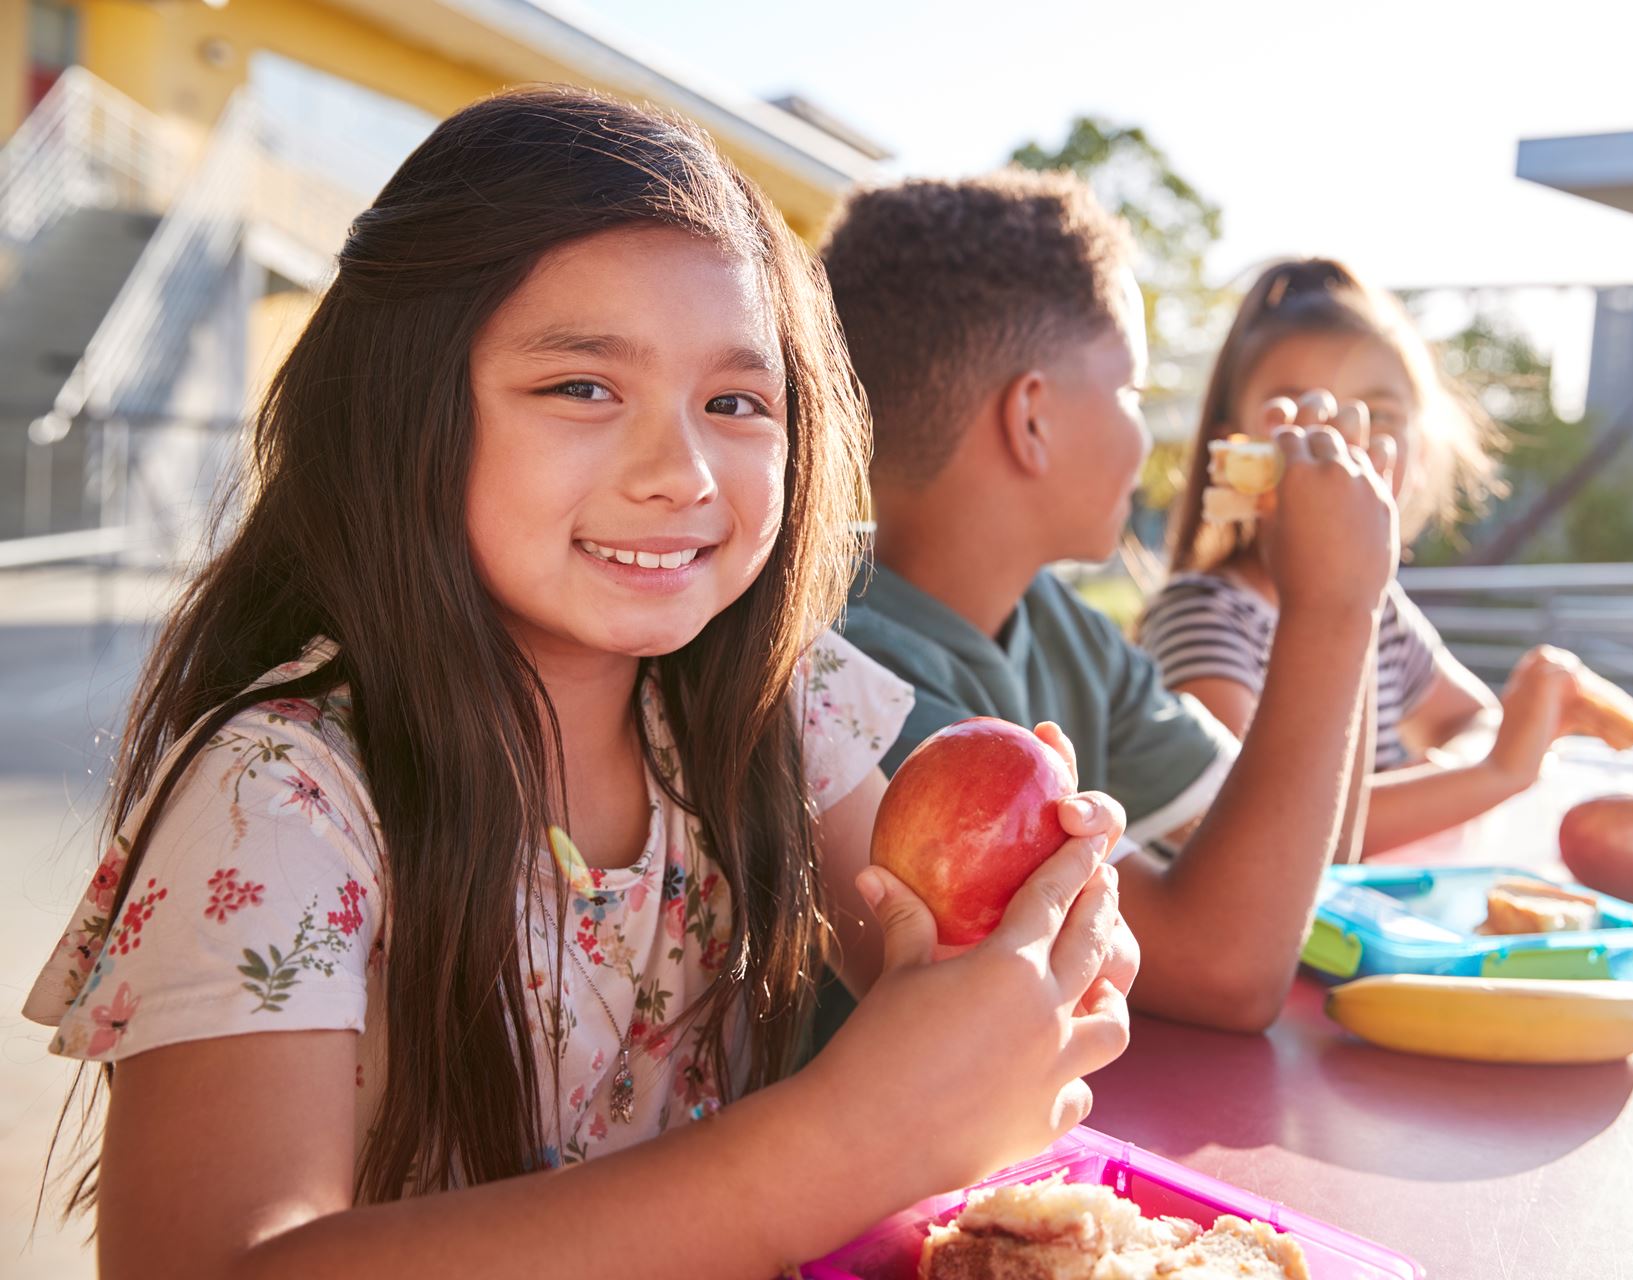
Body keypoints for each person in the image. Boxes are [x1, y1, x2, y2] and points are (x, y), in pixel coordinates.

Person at [23, 89, 1135, 1279]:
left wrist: (1031, 941)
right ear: (405, 409)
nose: (682, 469)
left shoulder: (777, 704)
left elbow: (928, 965)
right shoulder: (282, 799)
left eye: (736, 402)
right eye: (582, 387)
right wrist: (830, 1144)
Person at [822, 173, 1398, 1033]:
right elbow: (1226, 969)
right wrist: (1332, 606)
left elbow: (1309, 855)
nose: (1147, 432)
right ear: (1033, 420)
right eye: (1131, 390)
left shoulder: (1060, 627)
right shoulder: (848, 668)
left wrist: (1343, 585)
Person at [1144, 257, 1601, 856]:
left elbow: (1472, 721)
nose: (1339, 447)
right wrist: (1492, 778)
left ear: (1420, 445)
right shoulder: (1204, 616)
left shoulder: (1380, 610)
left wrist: (1438, 778)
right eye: (1298, 417)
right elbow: (1265, 835)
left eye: (1378, 416)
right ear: (1235, 448)